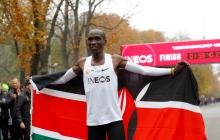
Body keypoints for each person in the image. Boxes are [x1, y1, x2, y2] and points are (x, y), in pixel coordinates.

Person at [47, 29, 189, 140]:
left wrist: (171, 70)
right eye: (90, 39)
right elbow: (62, 79)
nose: (93, 42)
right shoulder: (83, 63)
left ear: (104, 41)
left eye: (97, 39)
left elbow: (143, 70)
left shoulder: (114, 60)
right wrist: (37, 81)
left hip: (114, 120)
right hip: (93, 122)